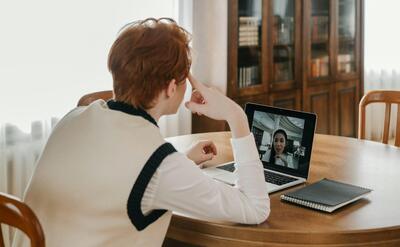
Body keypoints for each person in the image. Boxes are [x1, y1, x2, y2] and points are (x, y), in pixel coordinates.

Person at [17, 18, 270, 247]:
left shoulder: (73, 118)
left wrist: (182, 162)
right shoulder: (159, 165)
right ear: (172, 88)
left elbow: (111, 170)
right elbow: (255, 208)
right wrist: (235, 116)